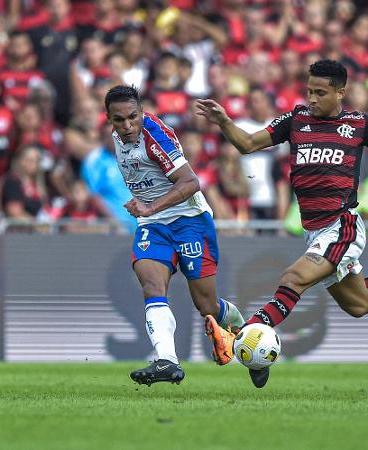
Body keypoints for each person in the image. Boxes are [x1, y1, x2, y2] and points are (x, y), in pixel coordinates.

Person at [197, 59, 368, 388]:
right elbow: (247, 144)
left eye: (321, 92)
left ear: (340, 93)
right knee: (359, 306)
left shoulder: (358, 125)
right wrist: (223, 121)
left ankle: (239, 340)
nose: (313, 98)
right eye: (309, 91)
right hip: (314, 232)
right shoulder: (297, 120)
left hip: (341, 226)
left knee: (293, 278)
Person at [105, 85, 245, 386]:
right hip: (153, 225)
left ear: (142, 113)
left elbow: (191, 182)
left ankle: (247, 336)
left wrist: (148, 206)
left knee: (207, 306)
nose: (127, 126)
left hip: (190, 221)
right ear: (109, 120)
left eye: (133, 117)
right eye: (119, 120)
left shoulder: (154, 136)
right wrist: (146, 209)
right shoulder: (117, 138)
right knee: (151, 285)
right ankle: (167, 360)